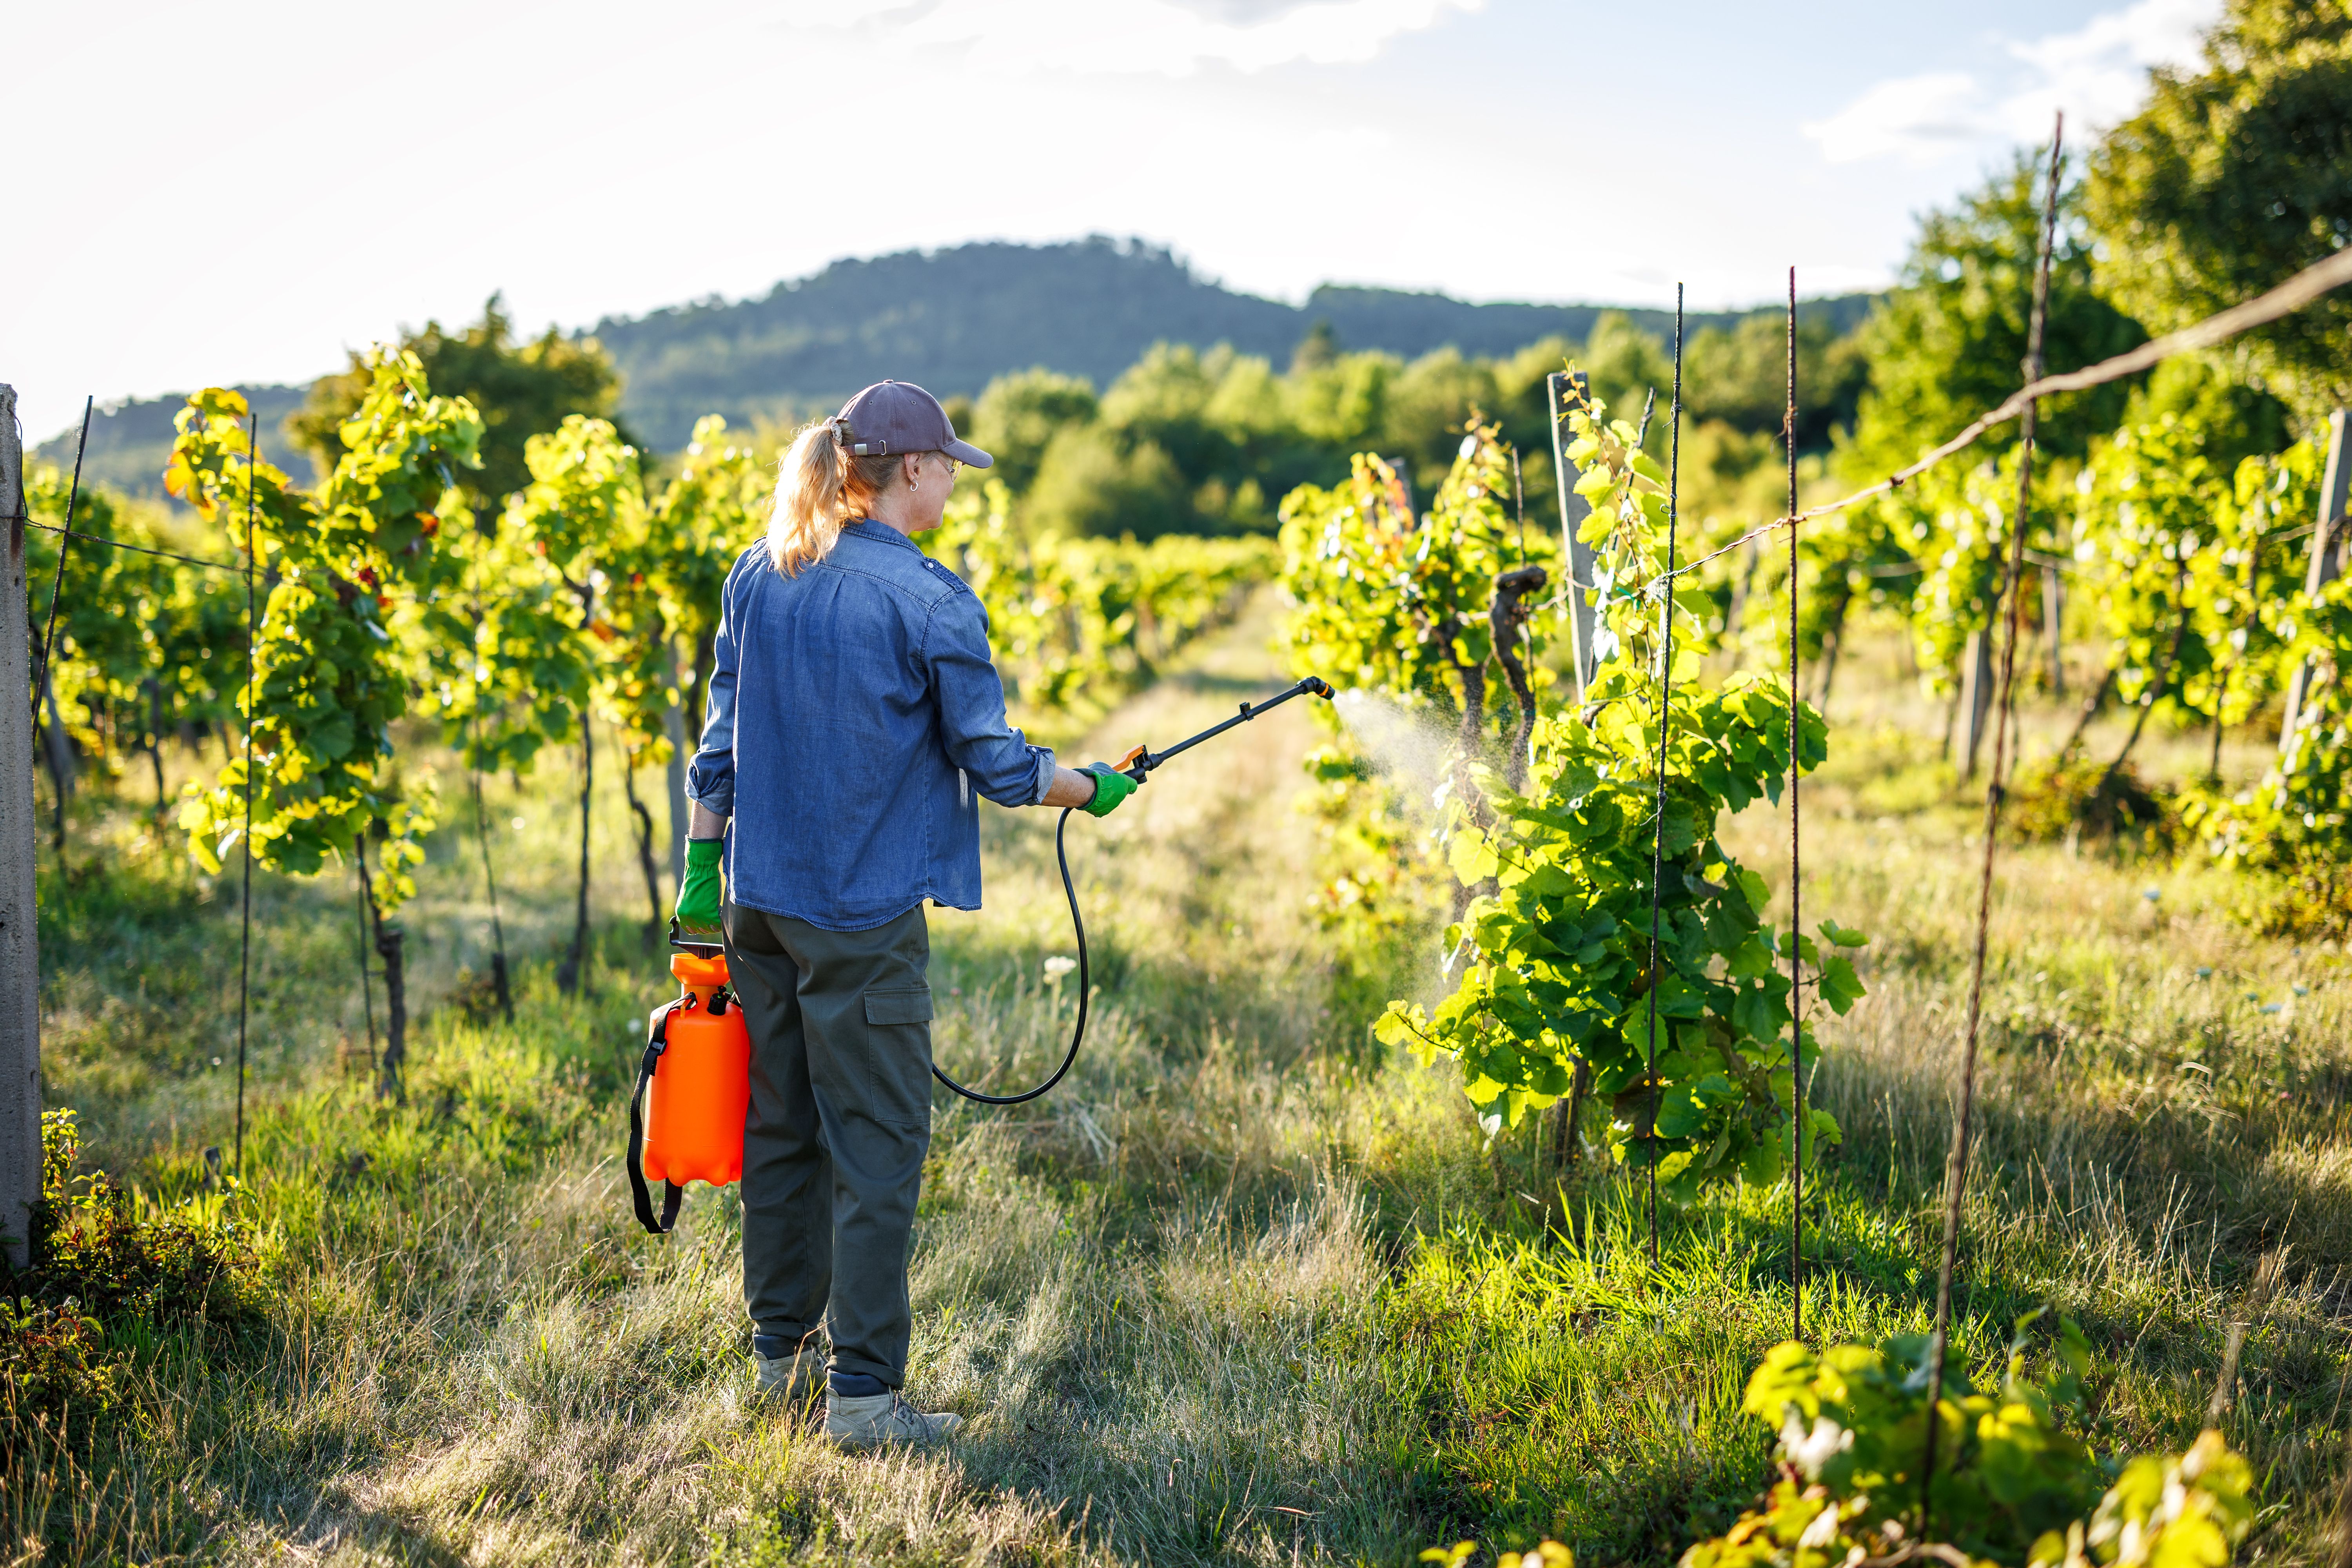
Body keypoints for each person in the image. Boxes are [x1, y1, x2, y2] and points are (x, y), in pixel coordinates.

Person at [672, 379, 1137, 1447]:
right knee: (877, 1148)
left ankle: (780, 1363)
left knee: (782, 1129)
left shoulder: (761, 568)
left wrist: (702, 868)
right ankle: (866, 1400)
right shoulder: (929, 599)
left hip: (755, 904)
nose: (953, 489)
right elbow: (999, 766)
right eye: (948, 470)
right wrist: (1091, 787)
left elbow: (720, 740)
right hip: (858, 917)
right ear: (912, 469)